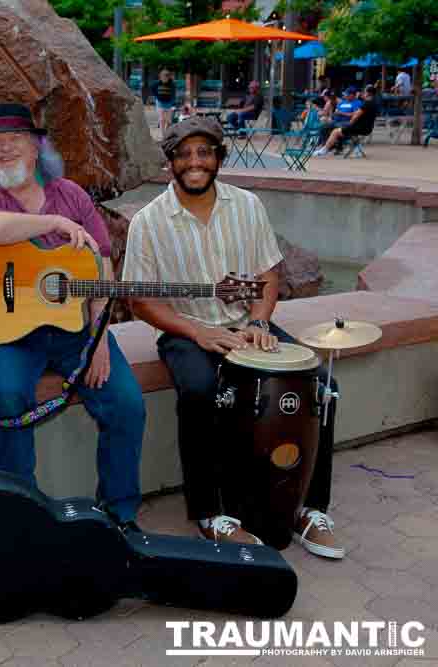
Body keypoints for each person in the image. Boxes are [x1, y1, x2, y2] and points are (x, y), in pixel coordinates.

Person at [122, 116, 343, 558]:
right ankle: (210, 514)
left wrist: (260, 322)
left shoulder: (248, 205)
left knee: (323, 387)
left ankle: (308, 508)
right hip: (185, 329)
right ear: (170, 163)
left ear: (219, 158)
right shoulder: (147, 222)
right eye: (183, 154)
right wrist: (197, 331)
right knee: (201, 390)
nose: (194, 162)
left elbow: (269, 273)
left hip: (247, 322)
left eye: (204, 152)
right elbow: (140, 301)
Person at [0, 102, 146, 529]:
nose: (4, 150)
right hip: (7, 331)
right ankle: (25, 513)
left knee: (127, 405)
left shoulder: (72, 194)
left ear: (37, 147)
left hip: (76, 326)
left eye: (15, 141)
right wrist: (50, 222)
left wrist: (98, 337)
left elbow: (102, 266)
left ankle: (119, 515)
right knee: (4, 397)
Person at [315, 85, 378, 156]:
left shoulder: (366, 103)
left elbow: (356, 116)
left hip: (360, 127)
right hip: (365, 127)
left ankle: (324, 150)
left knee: (336, 131)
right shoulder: (374, 103)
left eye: (365, 92)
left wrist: (350, 123)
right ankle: (330, 147)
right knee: (327, 127)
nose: (363, 93)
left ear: (368, 93)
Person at [151, 69, 177, 134]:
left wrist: (173, 103)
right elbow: (152, 88)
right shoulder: (157, 83)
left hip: (169, 103)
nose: (165, 79)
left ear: (168, 77)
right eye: (163, 77)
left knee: (169, 121)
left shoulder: (172, 84)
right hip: (160, 103)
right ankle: (163, 133)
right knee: (162, 119)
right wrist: (157, 96)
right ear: (161, 77)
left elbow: (174, 94)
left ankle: (166, 131)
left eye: (166, 77)